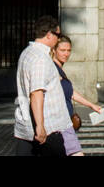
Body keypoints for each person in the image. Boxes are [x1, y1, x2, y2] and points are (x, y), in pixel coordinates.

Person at [13, 15, 71, 156]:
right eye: (58, 35)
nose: (59, 39)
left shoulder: (27, 53)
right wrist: (40, 126)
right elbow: (36, 92)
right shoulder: (40, 58)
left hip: (28, 125)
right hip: (48, 126)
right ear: (49, 35)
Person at [53, 33, 104, 156]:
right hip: (61, 122)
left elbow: (70, 92)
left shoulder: (59, 69)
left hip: (64, 121)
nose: (66, 54)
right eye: (62, 50)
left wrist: (91, 105)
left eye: (69, 50)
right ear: (54, 50)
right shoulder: (53, 69)